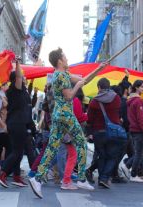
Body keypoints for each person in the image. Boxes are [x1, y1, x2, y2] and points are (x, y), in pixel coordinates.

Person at [29, 48, 108, 198]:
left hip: (58, 116)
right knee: (81, 143)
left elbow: (84, 79)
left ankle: (37, 179)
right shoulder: (62, 76)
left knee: (52, 147)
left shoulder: (61, 75)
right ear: (59, 60)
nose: (67, 58)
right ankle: (82, 178)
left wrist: (99, 69)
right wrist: (77, 86)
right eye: (64, 56)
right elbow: (70, 96)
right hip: (65, 114)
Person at [0, 56, 30, 188]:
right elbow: (19, 76)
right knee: (17, 152)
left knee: (18, 152)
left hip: (17, 123)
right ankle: (2, 173)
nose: (24, 78)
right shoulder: (16, 90)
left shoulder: (21, 91)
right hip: (17, 123)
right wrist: (18, 63)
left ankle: (16, 176)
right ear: (16, 80)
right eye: (21, 77)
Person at [87, 78, 123, 189]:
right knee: (112, 156)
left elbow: (89, 119)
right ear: (109, 86)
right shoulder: (116, 98)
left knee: (101, 155)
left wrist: (89, 132)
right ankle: (104, 178)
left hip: (98, 132)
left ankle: (102, 178)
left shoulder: (94, 101)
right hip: (113, 132)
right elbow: (119, 113)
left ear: (99, 87)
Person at [127, 80, 143, 182]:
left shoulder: (131, 100)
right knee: (139, 153)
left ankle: (127, 166)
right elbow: (140, 119)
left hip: (133, 129)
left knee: (140, 152)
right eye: (142, 87)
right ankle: (133, 174)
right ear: (136, 87)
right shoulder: (138, 101)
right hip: (138, 130)